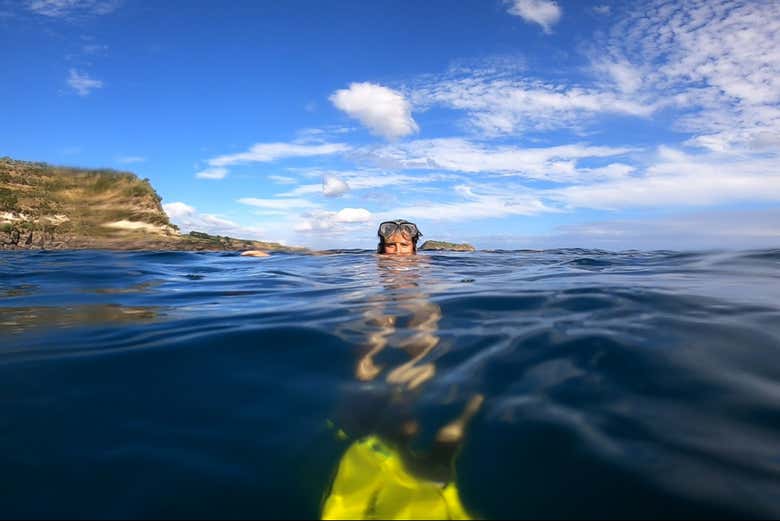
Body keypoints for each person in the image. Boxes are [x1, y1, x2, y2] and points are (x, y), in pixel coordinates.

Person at [322, 220, 483, 520]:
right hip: (378, 294)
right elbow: (329, 258)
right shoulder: (374, 262)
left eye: (404, 246)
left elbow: (451, 281)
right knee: (375, 327)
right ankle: (365, 401)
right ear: (382, 247)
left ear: (414, 247)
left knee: (423, 320)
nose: (396, 253)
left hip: (414, 292)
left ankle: (408, 407)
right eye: (390, 246)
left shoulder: (424, 263)